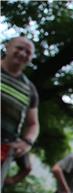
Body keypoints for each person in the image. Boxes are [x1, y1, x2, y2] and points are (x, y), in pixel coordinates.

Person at [1, 36, 39, 185]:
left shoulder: (30, 90)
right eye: (19, 48)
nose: (23, 53)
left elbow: (33, 124)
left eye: (28, 52)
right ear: (8, 48)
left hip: (3, 149)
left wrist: (27, 142)